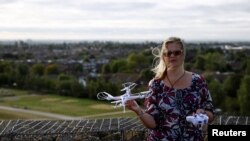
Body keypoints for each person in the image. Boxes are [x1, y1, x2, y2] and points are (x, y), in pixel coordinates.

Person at [126, 36, 215, 141]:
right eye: (168, 53)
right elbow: (152, 123)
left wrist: (203, 114)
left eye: (176, 52)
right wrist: (137, 110)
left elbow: (211, 114)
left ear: (183, 55)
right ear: (164, 57)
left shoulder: (198, 81)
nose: (172, 56)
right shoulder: (155, 84)